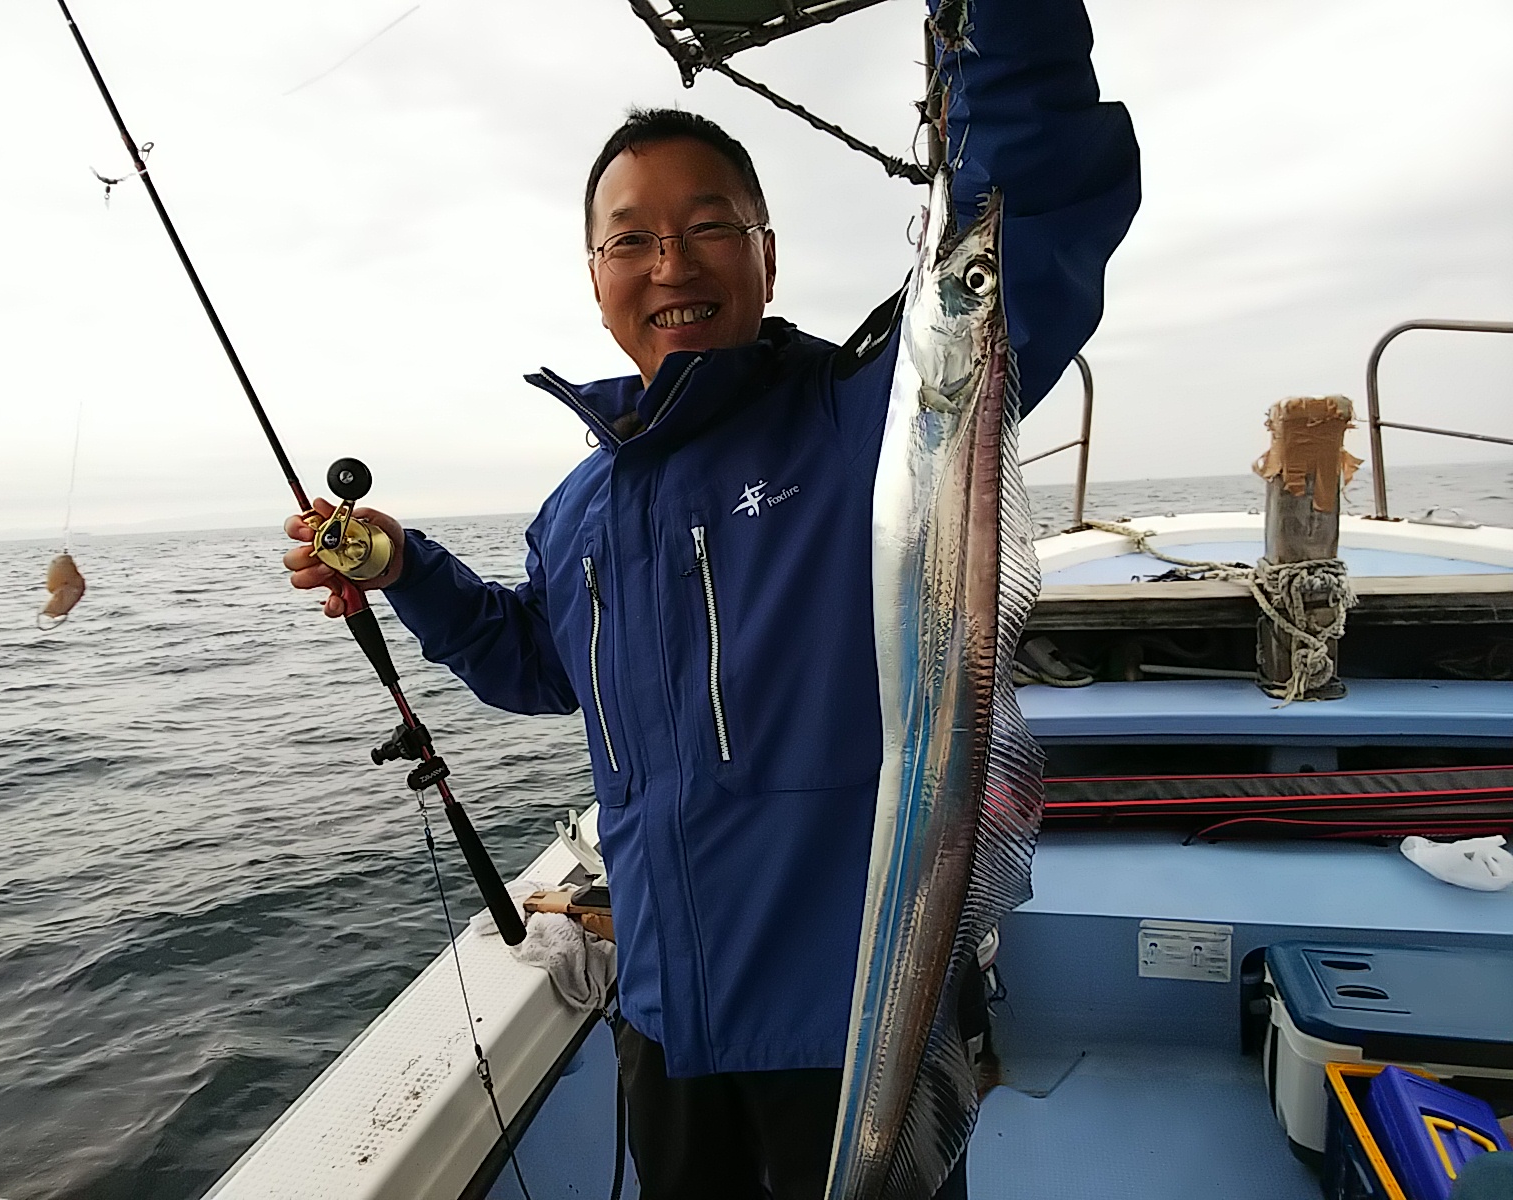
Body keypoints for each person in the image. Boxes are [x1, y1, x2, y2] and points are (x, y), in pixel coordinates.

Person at [284, 0, 1139, 1194]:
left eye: (707, 228)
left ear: (766, 256)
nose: (671, 265)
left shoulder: (866, 423)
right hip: (666, 1025)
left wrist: (1000, 22)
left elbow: (1034, 213)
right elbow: (536, 665)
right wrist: (406, 569)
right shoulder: (580, 507)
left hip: (854, 1021)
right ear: (596, 278)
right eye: (630, 239)